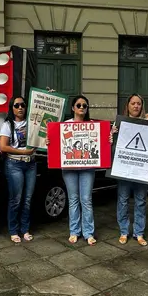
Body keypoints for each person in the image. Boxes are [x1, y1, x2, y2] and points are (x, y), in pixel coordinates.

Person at [113, 94, 148, 246]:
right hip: (123, 168)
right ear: (128, 105)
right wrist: (113, 134)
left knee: (140, 201)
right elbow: (112, 144)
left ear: (142, 106)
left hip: (141, 169)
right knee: (123, 201)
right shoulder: (119, 123)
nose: (136, 106)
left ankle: (139, 233)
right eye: (133, 103)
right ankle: (124, 231)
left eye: (139, 104)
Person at [0, 96, 36, 243]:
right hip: (14, 164)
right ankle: (13, 230)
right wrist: (23, 152)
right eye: (17, 105)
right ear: (12, 108)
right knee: (16, 199)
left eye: (23, 105)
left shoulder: (32, 123)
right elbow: (3, 146)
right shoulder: (8, 124)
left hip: (31, 164)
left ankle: (25, 229)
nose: (20, 107)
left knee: (27, 199)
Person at [63, 95, 97, 245]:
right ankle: (74, 231)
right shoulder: (65, 125)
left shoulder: (92, 125)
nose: (82, 107)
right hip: (69, 167)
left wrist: (108, 139)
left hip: (87, 167)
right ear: (73, 108)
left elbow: (99, 143)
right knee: (73, 199)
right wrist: (49, 140)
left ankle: (88, 232)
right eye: (79, 105)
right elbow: (59, 143)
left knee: (86, 200)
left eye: (84, 105)